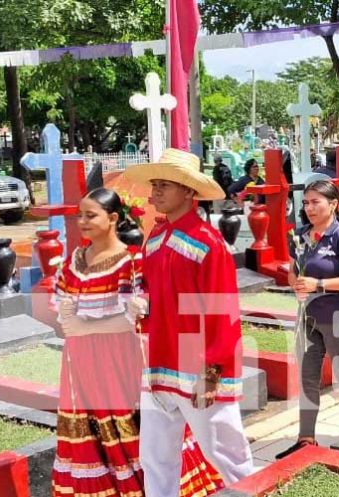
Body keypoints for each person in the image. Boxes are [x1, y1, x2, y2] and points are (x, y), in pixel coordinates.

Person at [51, 187, 224, 497]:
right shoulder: (73, 262)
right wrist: (68, 323)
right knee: (89, 434)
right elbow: (63, 319)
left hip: (120, 360)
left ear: (113, 218)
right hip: (78, 364)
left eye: (91, 215)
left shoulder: (132, 263)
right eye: (80, 215)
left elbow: (135, 321)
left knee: (135, 431)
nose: (83, 222)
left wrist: (82, 326)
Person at [123, 149, 253, 495]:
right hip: (158, 364)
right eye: (155, 185)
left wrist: (212, 373)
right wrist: (138, 301)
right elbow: (150, 288)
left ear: (189, 191)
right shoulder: (155, 238)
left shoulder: (208, 243)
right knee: (155, 457)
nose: (155, 193)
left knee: (228, 455)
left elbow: (223, 311)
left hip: (199, 369)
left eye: (164, 185)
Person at [276, 180, 339, 458]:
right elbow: (294, 271)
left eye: (315, 201)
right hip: (308, 317)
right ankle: (306, 438)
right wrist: (296, 282)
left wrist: (318, 285)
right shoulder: (300, 235)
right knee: (308, 378)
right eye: (305, 202)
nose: (309, 207)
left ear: (333, 204)